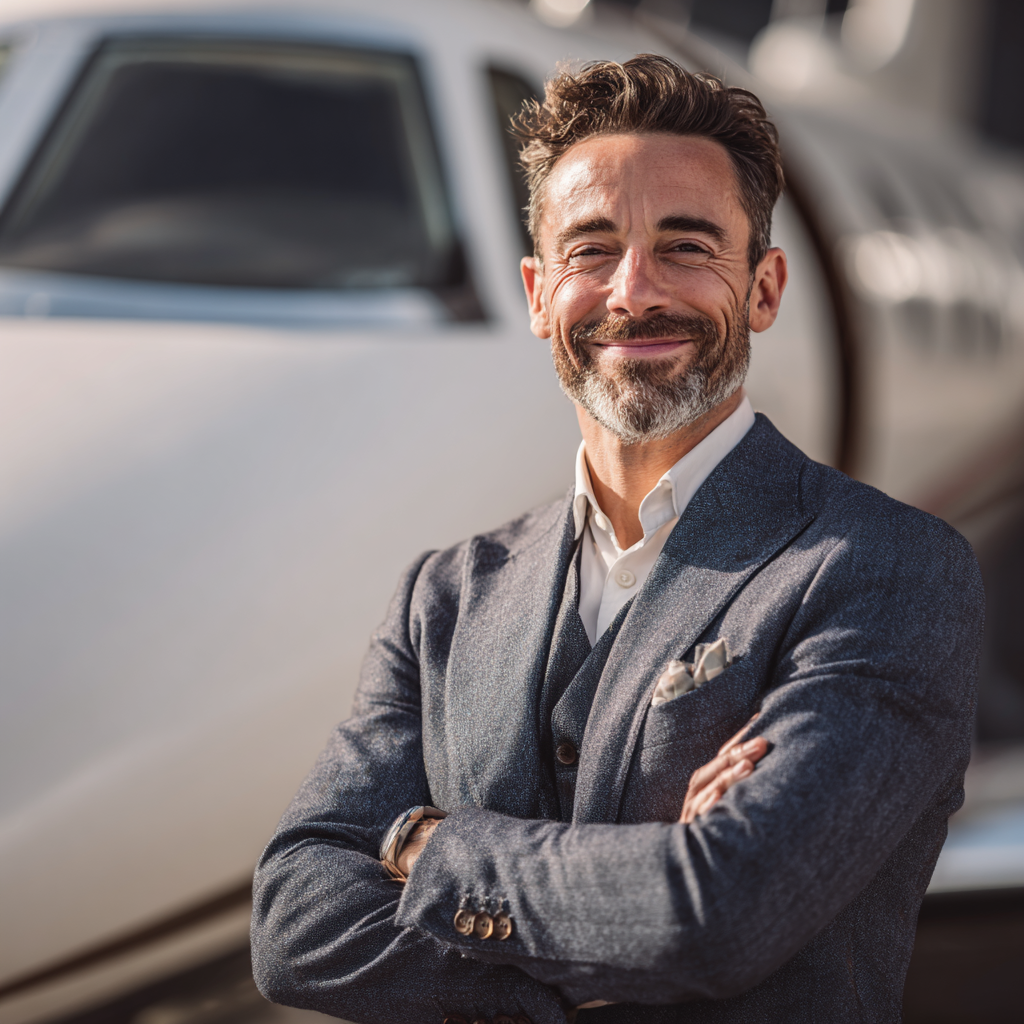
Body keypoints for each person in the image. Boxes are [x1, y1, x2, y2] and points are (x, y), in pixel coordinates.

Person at [250, 55, 982, 1024]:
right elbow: (294, 927)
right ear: (537, 292)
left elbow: (716, 914)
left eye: (686, 246)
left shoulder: (885, 568)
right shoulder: (446, 595)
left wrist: (428, 844)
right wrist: (621, 923)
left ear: (763, 289)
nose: (634, 292)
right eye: (590, 248)